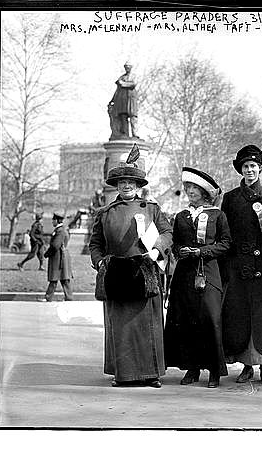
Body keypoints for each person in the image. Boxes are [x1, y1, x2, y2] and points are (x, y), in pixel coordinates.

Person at [89, 151, 172, 388]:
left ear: (138, 185)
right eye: (122, 182)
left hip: (145, 271)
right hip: (116, 273)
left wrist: (157, 251)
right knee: (121, 327)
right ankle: (123, 375)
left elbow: (167, 233)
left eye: (131, 182)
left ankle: (151, 374)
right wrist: (100, 261)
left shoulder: (152, 209)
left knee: (148, 325)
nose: (126, 186)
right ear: (116, 185)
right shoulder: (104, 213)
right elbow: (95, 244)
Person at [221, 145, 262, 386]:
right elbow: (224, 235)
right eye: (246, 167)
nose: (250, 171)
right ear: (241, 170)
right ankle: (247, 365)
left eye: (253, 166)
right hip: (239, 267)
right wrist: (228, 267)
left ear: (260, 169)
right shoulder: (231, 198)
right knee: (241, 315)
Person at [164, 167, 231, 388]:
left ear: (204, 191)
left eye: (194, 188)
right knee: (188, 320)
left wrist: (202, 252)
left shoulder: (217, 215)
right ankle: (192, 368)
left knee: (210, 320)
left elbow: (225, 243)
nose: (190, 191)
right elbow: (174, 242)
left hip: (209, 273)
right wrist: (179, 250)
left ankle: (214, 371)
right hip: (184, 276)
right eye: (187, 188)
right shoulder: (181, 216)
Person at [41, 211, 73, 302]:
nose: (52, 222)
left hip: (59, 257)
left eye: (53, 220)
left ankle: (49, 297)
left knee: (56, 278)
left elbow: (55, 245)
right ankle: (68, 297)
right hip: (61, 257)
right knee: (63, 278)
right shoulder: (62, 229)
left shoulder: (60, 231)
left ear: (57, 220)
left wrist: (47, 254)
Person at [108, 61, 138, 138]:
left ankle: (135, 133)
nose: (127, 68)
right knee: (123, 116)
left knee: (133, 116)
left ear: (131, 67)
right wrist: (112, 100)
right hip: (122, 100)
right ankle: (125, 134)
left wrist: (123, 84)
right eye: (126, 67)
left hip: (131, 99)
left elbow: (133, 84)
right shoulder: (121, 77)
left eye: (128, 67)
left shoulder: (134, 76)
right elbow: (117, 91)